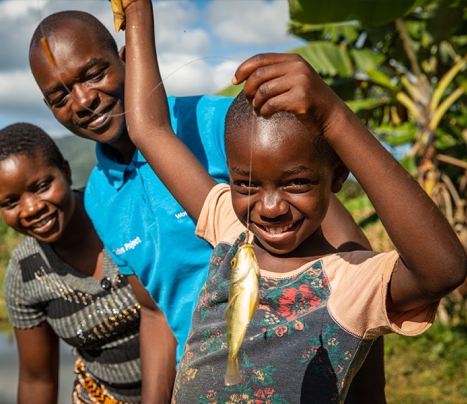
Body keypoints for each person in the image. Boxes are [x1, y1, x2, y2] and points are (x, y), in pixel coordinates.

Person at [28, 6, 382, 402]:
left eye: (95, 73)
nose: (83, 100)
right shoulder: (97, 196)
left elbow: (349, 248)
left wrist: (362, 389)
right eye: (59, 96)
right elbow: (156, 313)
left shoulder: (221, 124)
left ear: (127, 58)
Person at [121, 1, 467, 401]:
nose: (269, 207)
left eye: (296, 183)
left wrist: (334, 117)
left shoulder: (348, 283)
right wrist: (137, 12)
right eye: (246, 186)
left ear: (336, 177)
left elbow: (443, 269)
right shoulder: (229, 228)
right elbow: (149, 128)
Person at [0, 122, 161, 403]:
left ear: (65, 170)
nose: (31, 208)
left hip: (184, 385)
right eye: (10, 203)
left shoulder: (122, 215)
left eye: (41, 187)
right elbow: (36, 379)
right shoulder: (26, 273)